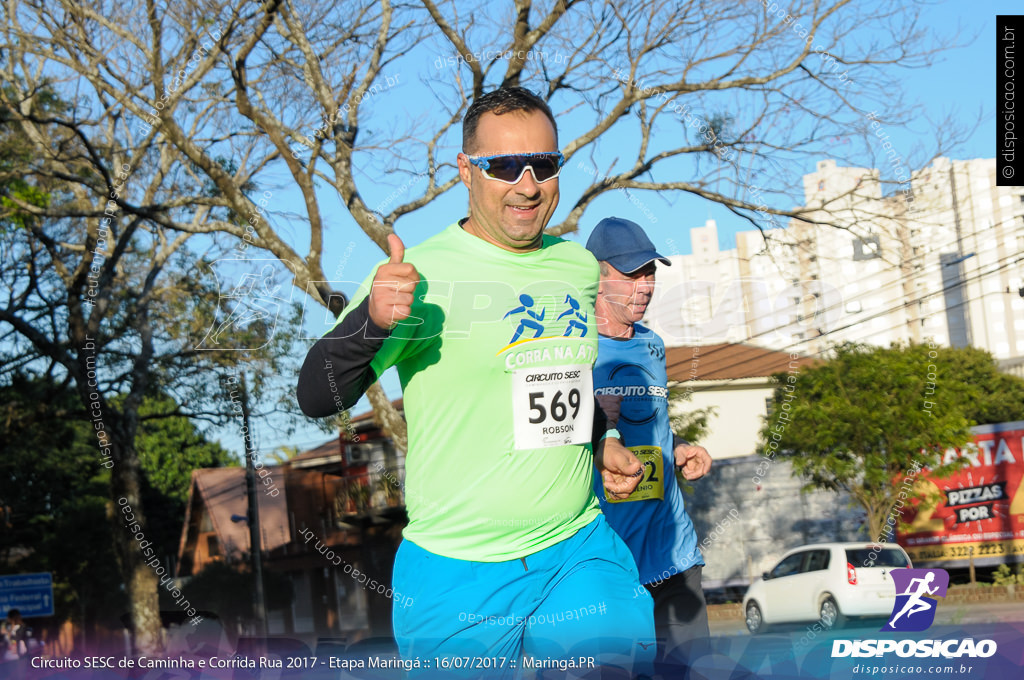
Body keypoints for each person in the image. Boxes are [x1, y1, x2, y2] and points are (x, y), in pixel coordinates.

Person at [297, 87, 656, 676]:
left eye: (543, 164)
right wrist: (370, 321)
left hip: (577, 547)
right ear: (466, 171)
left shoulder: (576, 268)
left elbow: (558, 379)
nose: (528, 184)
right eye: (504, 166)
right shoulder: (421, 275)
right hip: (456, 569)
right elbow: (315, 395)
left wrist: (600, 441)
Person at [586, 217, 713, 674]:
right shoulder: (571, 347)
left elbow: (653, 424)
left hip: (673, 553)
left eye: (650, 273)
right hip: (606, 561)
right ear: (596, 274)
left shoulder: (652, 345)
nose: (645, 285)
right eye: (630, 273)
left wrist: (677, 447)